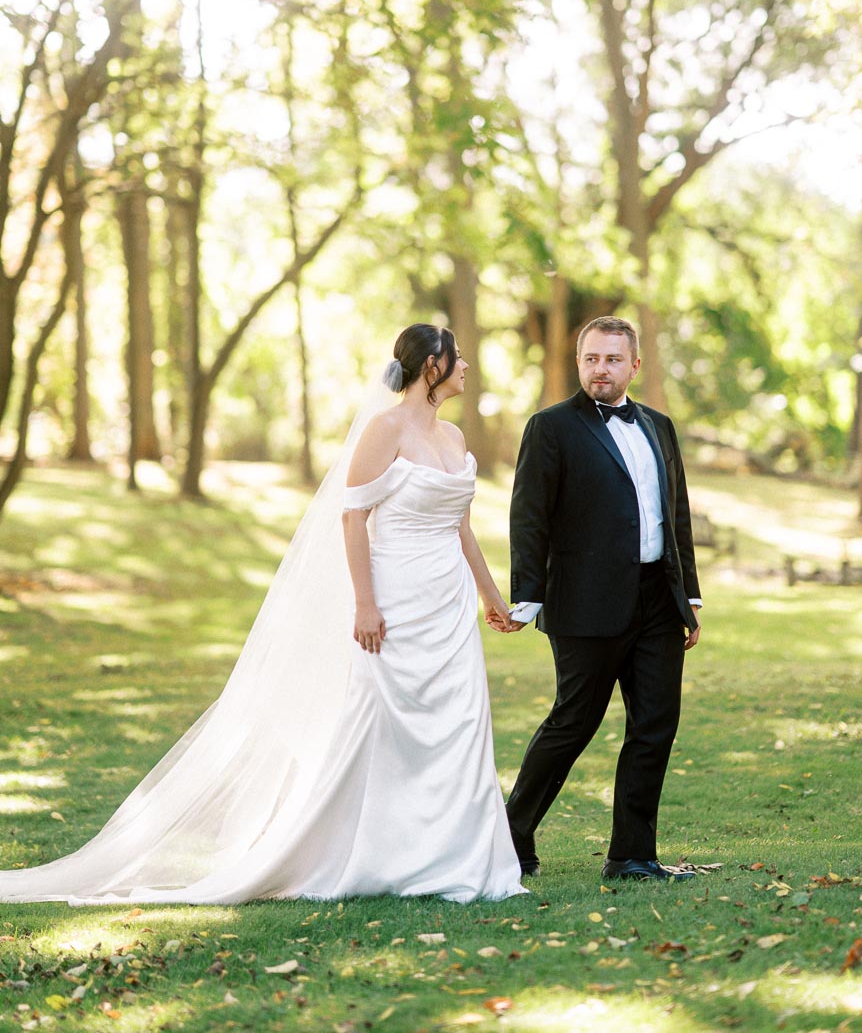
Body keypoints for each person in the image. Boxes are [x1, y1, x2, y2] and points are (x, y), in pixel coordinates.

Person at [0, 323, 526, 905]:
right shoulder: (384, 431)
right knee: (381, 726)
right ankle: (372, 853)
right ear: (433, 366)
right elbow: (353, 518)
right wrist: (366, 602)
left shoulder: (453, 437)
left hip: (447, 606)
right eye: (459, 359)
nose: (467, 367)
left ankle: (452, 853)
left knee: (458, 724)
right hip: (395, 600)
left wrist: (489, 596)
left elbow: (460, 526)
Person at [505, 316, 702, 882]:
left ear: (634, 366)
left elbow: (676, 513)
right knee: (573, 722)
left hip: (659, 602)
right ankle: (510, 836)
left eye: (613, 360)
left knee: (655, 725)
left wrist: (688, 593)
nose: (600, 369)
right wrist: (528, 597)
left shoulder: (660, 427)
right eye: (591, 358)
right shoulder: (550, 427)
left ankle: (632, 856)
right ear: (579, 362)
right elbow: (529, 516)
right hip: (584, 602)